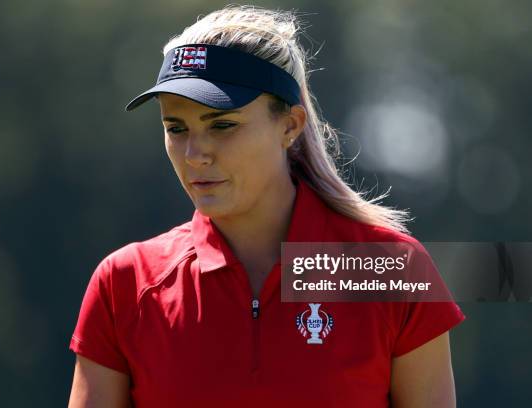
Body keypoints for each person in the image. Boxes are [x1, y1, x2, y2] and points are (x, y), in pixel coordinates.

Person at [68, 5, 465, 407]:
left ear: (290, 125)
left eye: (222, 125)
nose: (194, 154)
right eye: (176, 128)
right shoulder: (124, 284)